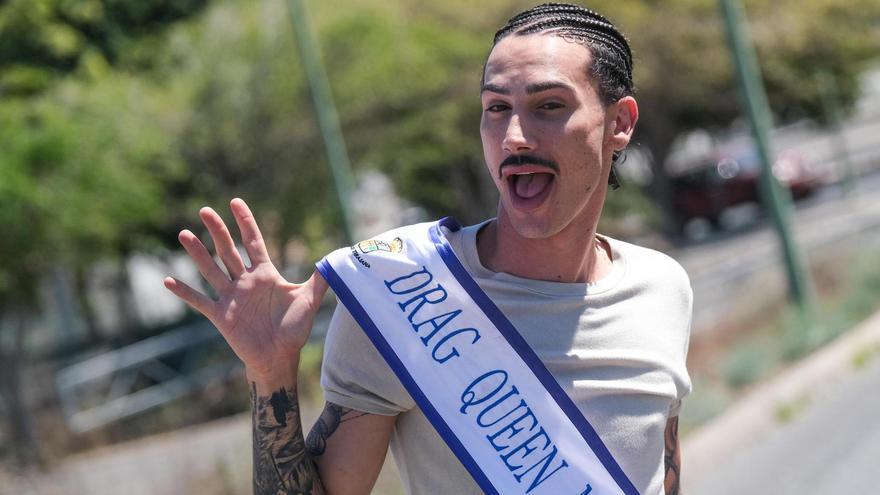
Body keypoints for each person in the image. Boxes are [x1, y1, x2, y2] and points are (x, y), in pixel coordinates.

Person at [164, 3, 692, 494]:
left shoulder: (662, 287)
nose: (513, 136)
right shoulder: (402, 293)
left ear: (619, 123)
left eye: (548, 105)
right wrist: (270, 374)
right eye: (496, 108)